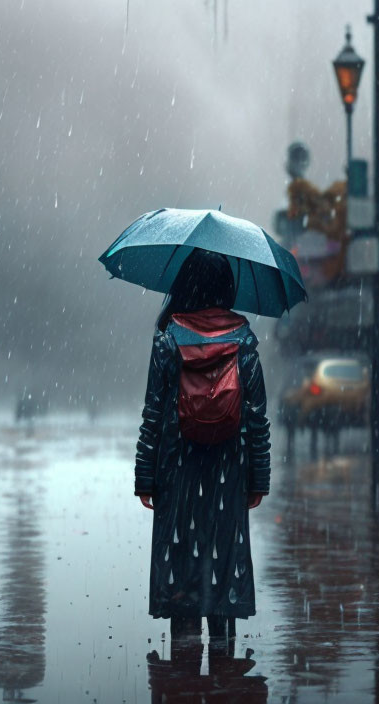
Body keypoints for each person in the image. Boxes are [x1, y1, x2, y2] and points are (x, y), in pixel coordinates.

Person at [134, 249, 271, 650]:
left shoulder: (167, 340)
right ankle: (225, 670)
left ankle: (183, 672)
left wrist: (146, 476)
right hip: (229, 470)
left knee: (180, 573)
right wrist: (257, 478)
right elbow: (257, 418)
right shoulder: (243, 341)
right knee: (224, 566)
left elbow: (153, 416)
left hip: (177, 471)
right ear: (227, 287)